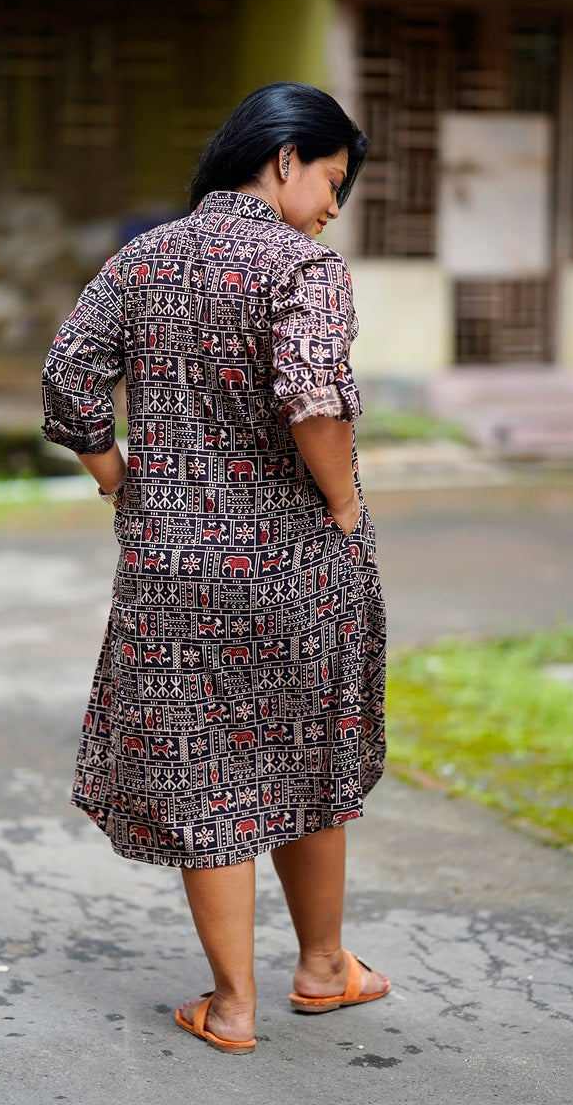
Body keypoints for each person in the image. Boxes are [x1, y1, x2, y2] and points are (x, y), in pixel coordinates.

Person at [41, 81, 388, 1054]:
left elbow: (69, 384)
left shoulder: (142, 259)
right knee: (306, 754)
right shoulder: (302, 269)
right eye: (330, 180)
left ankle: (231, 1006)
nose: (330, 206)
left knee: (211, 773)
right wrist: (343, 503)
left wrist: (117, 479)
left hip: (171, 571)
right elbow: (314, 404)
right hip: (295, 564)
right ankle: (322, 970)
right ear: (283, 159)